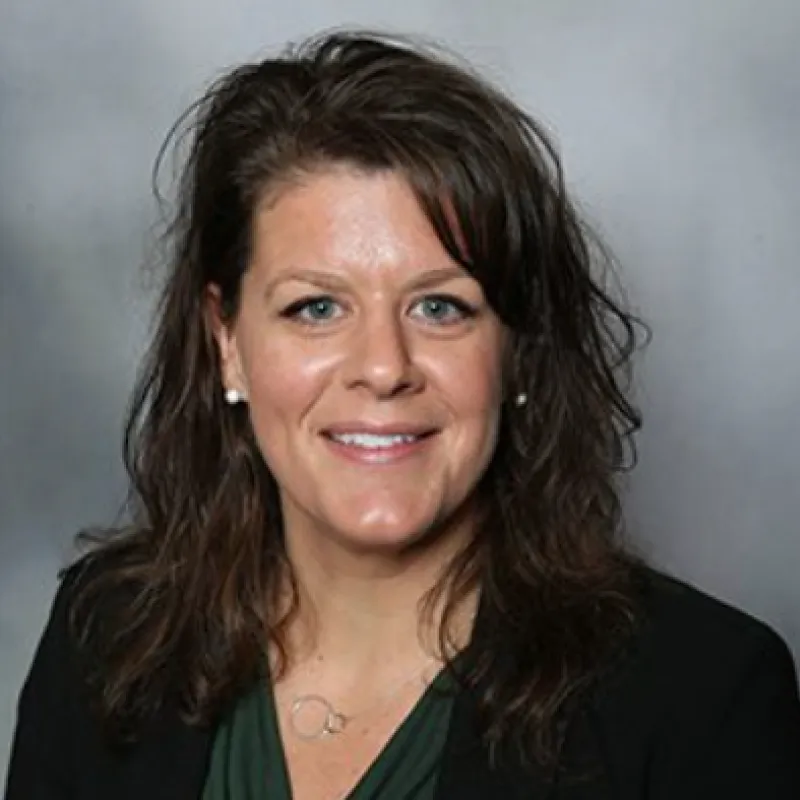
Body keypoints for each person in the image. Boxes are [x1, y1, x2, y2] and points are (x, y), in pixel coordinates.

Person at [5, 29, 800, 800]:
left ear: (517, 345)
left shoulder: (704, 695)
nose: (384, 367)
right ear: (228, 343)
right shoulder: (104, 637)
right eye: (316, 307)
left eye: (441, 306)